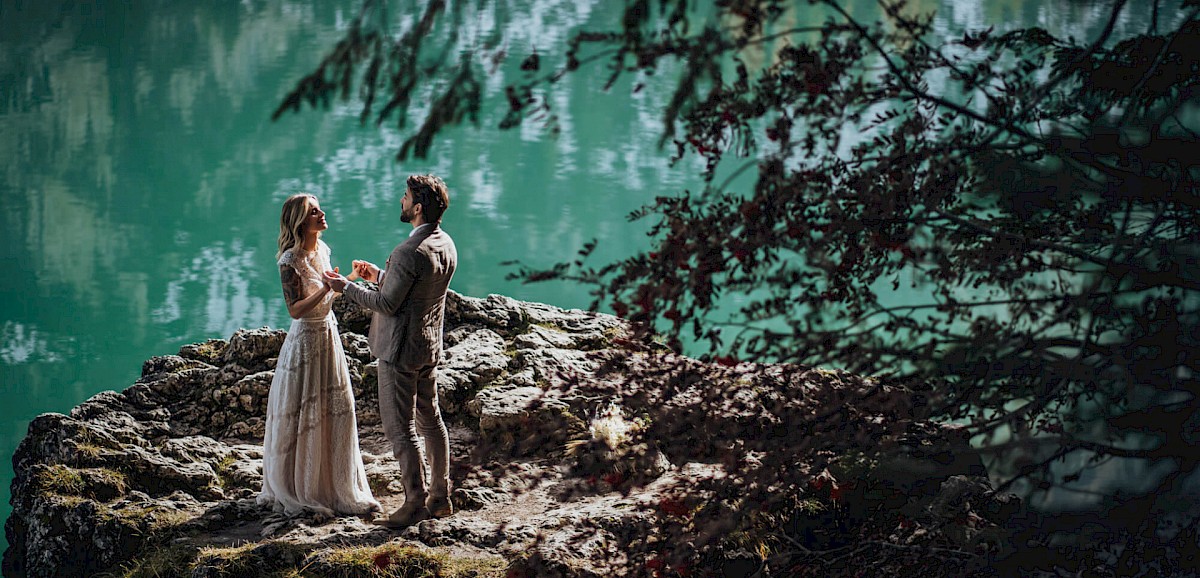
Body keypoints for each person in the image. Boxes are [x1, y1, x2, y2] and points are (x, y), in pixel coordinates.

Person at [324, 174, 457, 528]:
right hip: (428, 347)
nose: (401, 200)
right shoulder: (445, 244)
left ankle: (414, 502)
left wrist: (343, 286)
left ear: (416, 207)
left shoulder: (407, 251)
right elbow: (412, 290)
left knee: (401, 431)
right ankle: (440, 496)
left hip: (398, 352)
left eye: (405, 196)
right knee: (432, 422)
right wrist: (380, 275)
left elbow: (386, 304)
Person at [258, 193, 382, 518]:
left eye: (319, 208)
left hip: (329, 336)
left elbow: (329, 290)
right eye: (314, 211)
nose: (322, 213)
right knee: (305, 412)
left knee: (336, 409)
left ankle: (335, 484)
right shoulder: (290, 260)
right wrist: (328, 288)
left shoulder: (323, 250)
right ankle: (305, 487)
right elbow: (295, 310)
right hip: (305, 341)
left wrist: (350, 279)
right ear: (302, 222)